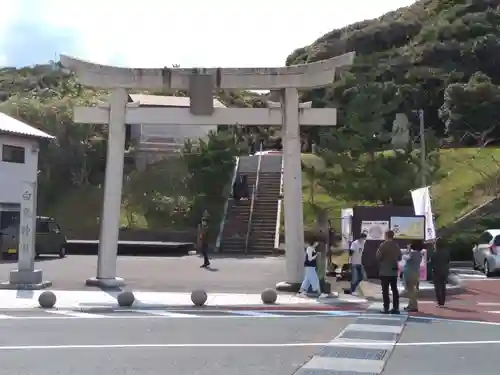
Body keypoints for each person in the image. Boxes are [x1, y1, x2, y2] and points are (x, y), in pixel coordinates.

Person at [376, 230, 402, 314]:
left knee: (385, 290)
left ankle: (386, 307)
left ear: (386, 236)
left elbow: (378, 257)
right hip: (393, 271)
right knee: (394, 289)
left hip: (384, 271)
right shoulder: (396, 245)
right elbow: (400, 258)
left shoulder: (383, 245)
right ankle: (396, 308)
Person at [403, 240, 423, 312]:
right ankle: (410, 305)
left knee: (410, 290)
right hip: (415, 272)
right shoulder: (419, 254)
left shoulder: (413, 253)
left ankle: (414, 306)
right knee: (411, 289)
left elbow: (407, 257)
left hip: (409, 273)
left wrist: (406, 251)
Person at [430, 241, 450, 307]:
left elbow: (431, 261)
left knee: (438, 287)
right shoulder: (446, 252)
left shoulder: (435, 252)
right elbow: (448, 261)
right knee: (443, 286)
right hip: (444, 270)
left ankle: (440, 302)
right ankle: (442, 302)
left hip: (436, 271)